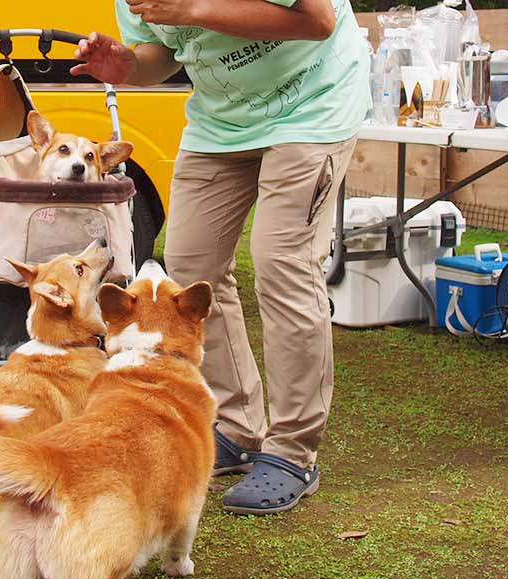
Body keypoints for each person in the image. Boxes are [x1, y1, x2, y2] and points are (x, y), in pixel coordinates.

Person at [72, 0, 370, 515]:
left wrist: (189, 8)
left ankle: (293, 450)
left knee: (282, 264)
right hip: (221, 123)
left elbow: (318, 20)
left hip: (312, 107)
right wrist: (127, 67)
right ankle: (237, 424)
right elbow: (162, 52)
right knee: (190, 269)